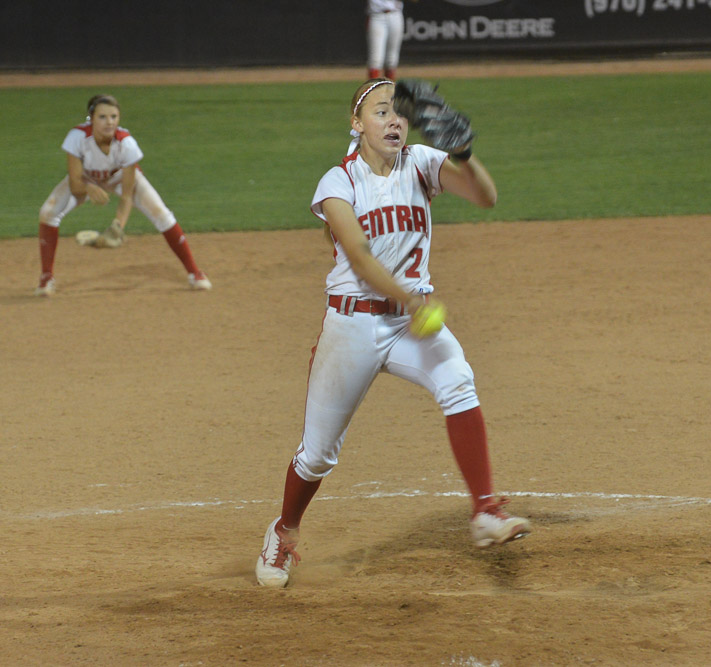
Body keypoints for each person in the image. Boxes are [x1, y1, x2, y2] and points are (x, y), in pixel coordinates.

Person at [256, 78, 532, 588]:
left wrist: (465, 154)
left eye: (400, 113)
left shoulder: (421, 163)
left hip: (410, 323)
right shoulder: (338, 181)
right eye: (381, 112)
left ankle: (485, 511)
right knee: (317, 454)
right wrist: (411, 300)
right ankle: (284, 532)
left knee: (458, 380)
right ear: (357, 124)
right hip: (353, 325)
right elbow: (360, 258)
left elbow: (486, 197)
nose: (394, 121)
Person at [35, 94, 211, 296]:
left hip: (120, 178)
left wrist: (118, 226)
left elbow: (126, 195)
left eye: (114, 116)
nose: (109, 122)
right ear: (91, 119)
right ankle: (46, 277)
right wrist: (89, 188)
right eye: (102, 117)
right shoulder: (77, 138)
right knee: (48, 212)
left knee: (161, 214)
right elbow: (75, 185)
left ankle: (194, 272)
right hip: (86, 180)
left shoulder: (126, 144)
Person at [366, 0, 405, 80]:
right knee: (375, 60)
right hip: (376, 15)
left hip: (395, 14)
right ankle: (373, 87)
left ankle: (389, 87)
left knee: (392, 60)